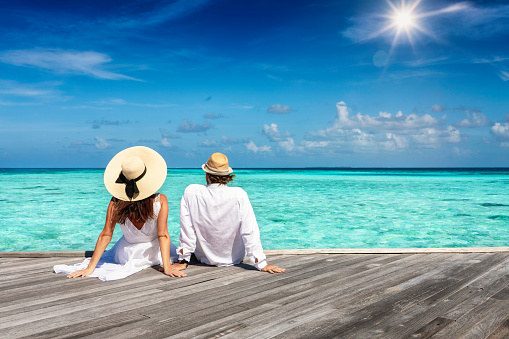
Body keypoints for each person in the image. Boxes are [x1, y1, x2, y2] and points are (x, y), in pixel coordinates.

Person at [53, 146, 186, 281]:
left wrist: (90, 268)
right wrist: (167, 266)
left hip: (125, 254)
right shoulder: (161, 200)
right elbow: (162, 235)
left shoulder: (116, 202)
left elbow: (106, 234)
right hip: (153, 253)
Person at [173, 152, 285, 274]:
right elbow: (249, 231)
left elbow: (187, 230)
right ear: (227, 175)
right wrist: (260, 263)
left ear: (206, 173)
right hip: (235, 259)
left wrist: (183, 260)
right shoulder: (239, 194)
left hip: (204, 259)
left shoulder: (191, 192)